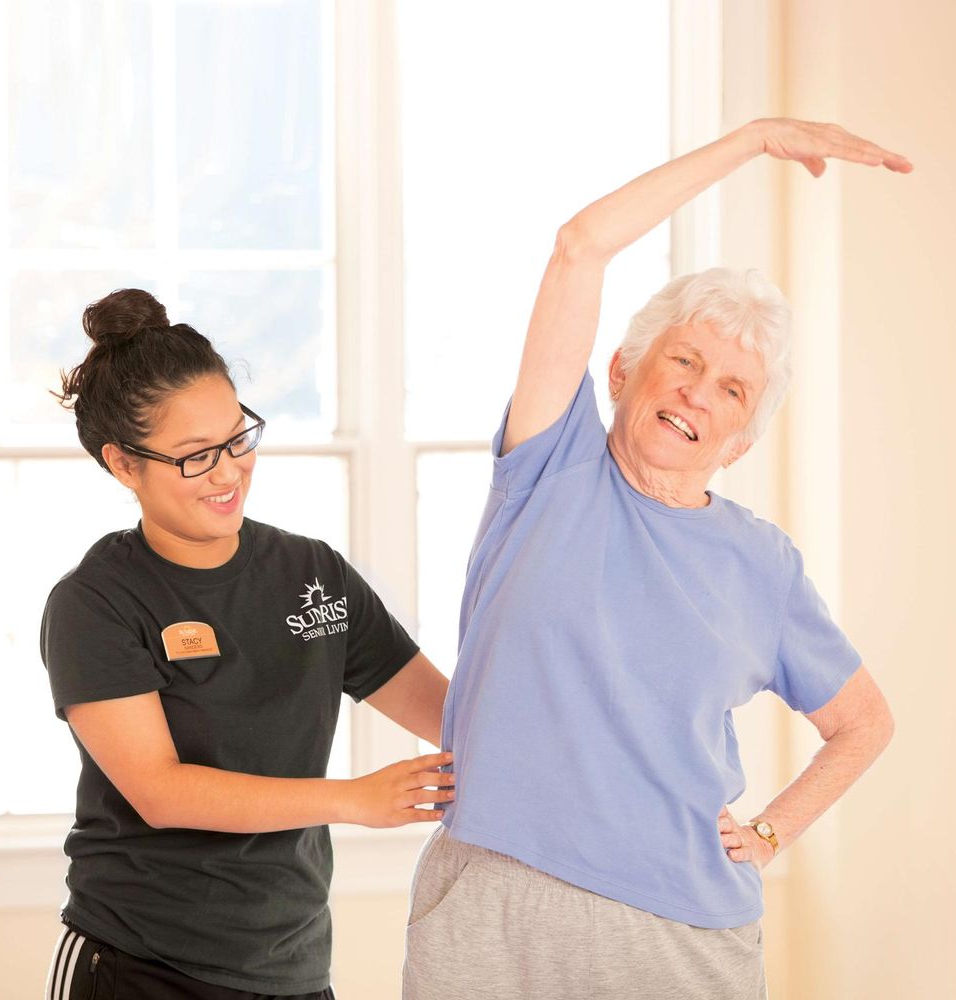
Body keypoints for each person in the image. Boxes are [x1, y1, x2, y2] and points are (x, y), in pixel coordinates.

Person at [402, 118, 910, 1000]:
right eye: (682, 359)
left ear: (741, 441)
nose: (695, 393)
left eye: (731, 390)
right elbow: (579, 247)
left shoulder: (763, 565)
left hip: (675, 933)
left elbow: (863, 723)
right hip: (492, 905)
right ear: (624, 368)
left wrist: (773, 832)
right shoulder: (548, 469)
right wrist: (754, 141)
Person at [41, 288, 454, 1000]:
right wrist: (353, 800)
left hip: (289, 968)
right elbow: (161, 792)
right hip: (141, 966)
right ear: (122, 463)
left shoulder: (312, 575)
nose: (230, 472)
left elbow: (457, 717)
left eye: (238, 438)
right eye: (195, 456)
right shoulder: (95, 602)